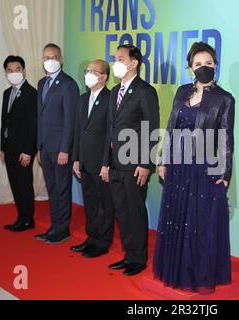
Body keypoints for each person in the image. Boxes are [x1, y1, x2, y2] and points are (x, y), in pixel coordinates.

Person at [153, 42, 235, 293]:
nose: (204, 68)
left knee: (199, 223)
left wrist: (225, 172)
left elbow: (226, 138)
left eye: (208, 64)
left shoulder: (224, 98)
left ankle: (197, 275)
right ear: (190, 68)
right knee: (178, 220)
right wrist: (164, 160)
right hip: (177, 166)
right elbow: (170, 128)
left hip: (203, 169)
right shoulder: (181, 92)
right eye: (198, 64)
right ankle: (176, 272)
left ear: (216, 66)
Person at [101, 44, 160, 276]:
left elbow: (152, 128)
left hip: (135, 163)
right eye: (115, 58)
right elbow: (110, 128)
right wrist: (105, 162)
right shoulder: (115, 91)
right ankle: (128, 254)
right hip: (115, 163)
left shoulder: (145, 91)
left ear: (134, 63)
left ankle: (138, 258)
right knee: (121, 210)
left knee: (134, 210)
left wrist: (146, 163)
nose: (116, 62)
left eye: (121, 58)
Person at [35, 43, 79, 244]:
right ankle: (54, 225)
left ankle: (63, 229)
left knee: (62, 188)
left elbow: (71, 120)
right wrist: (38, 146)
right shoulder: (41, 84)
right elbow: (40, 117)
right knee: (52, 189)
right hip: (45, 148)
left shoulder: (68, 84)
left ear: (61, 60)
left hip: (61, 149)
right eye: (45, 57)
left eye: (53, 57)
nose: (49, 61)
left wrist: (65, 149)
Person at [70, 60, 114, 258]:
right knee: (90, 202)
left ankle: (102, 242)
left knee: (104, 204)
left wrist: (106, 162)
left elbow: (110, 135)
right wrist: (76, 159)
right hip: (85, 161)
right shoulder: (81, 99)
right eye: (86, 71)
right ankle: (91, 238)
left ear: (103, 76)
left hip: (102, 162)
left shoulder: (111, 98)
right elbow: (78, 131)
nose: (87, 74)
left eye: (92, 71)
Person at [0, 55, 37, 232]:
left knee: (24, 184)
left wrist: (29, 151)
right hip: (9, 149)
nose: (13, 73)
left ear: (23, 70)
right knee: (15, 184)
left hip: (24, 150)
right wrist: (2, 147)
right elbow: (4, 122)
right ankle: (20, 217)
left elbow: (33, 125)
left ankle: (28, 220)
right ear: (5, 72)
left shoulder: (31, 93)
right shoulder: (7, 93)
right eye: (10, 70)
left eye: (17, 70)